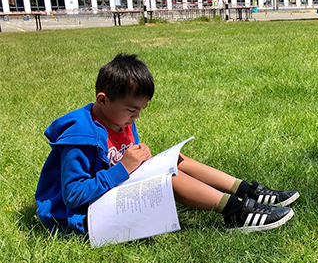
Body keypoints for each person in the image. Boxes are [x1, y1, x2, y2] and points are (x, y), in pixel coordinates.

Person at [36, 54, 299, 235]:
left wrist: (137, 160)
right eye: (132, 110)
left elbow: (123, 158)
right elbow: (73, 196)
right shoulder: (81, 138)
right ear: (103, 100)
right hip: (80, 218)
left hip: (107, 194)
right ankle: (236, 212)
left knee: (177, 161)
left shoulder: (117, 119)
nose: (136, 117)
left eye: (140, 110)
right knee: (167, 178)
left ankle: (247, 191)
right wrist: (124, 168)